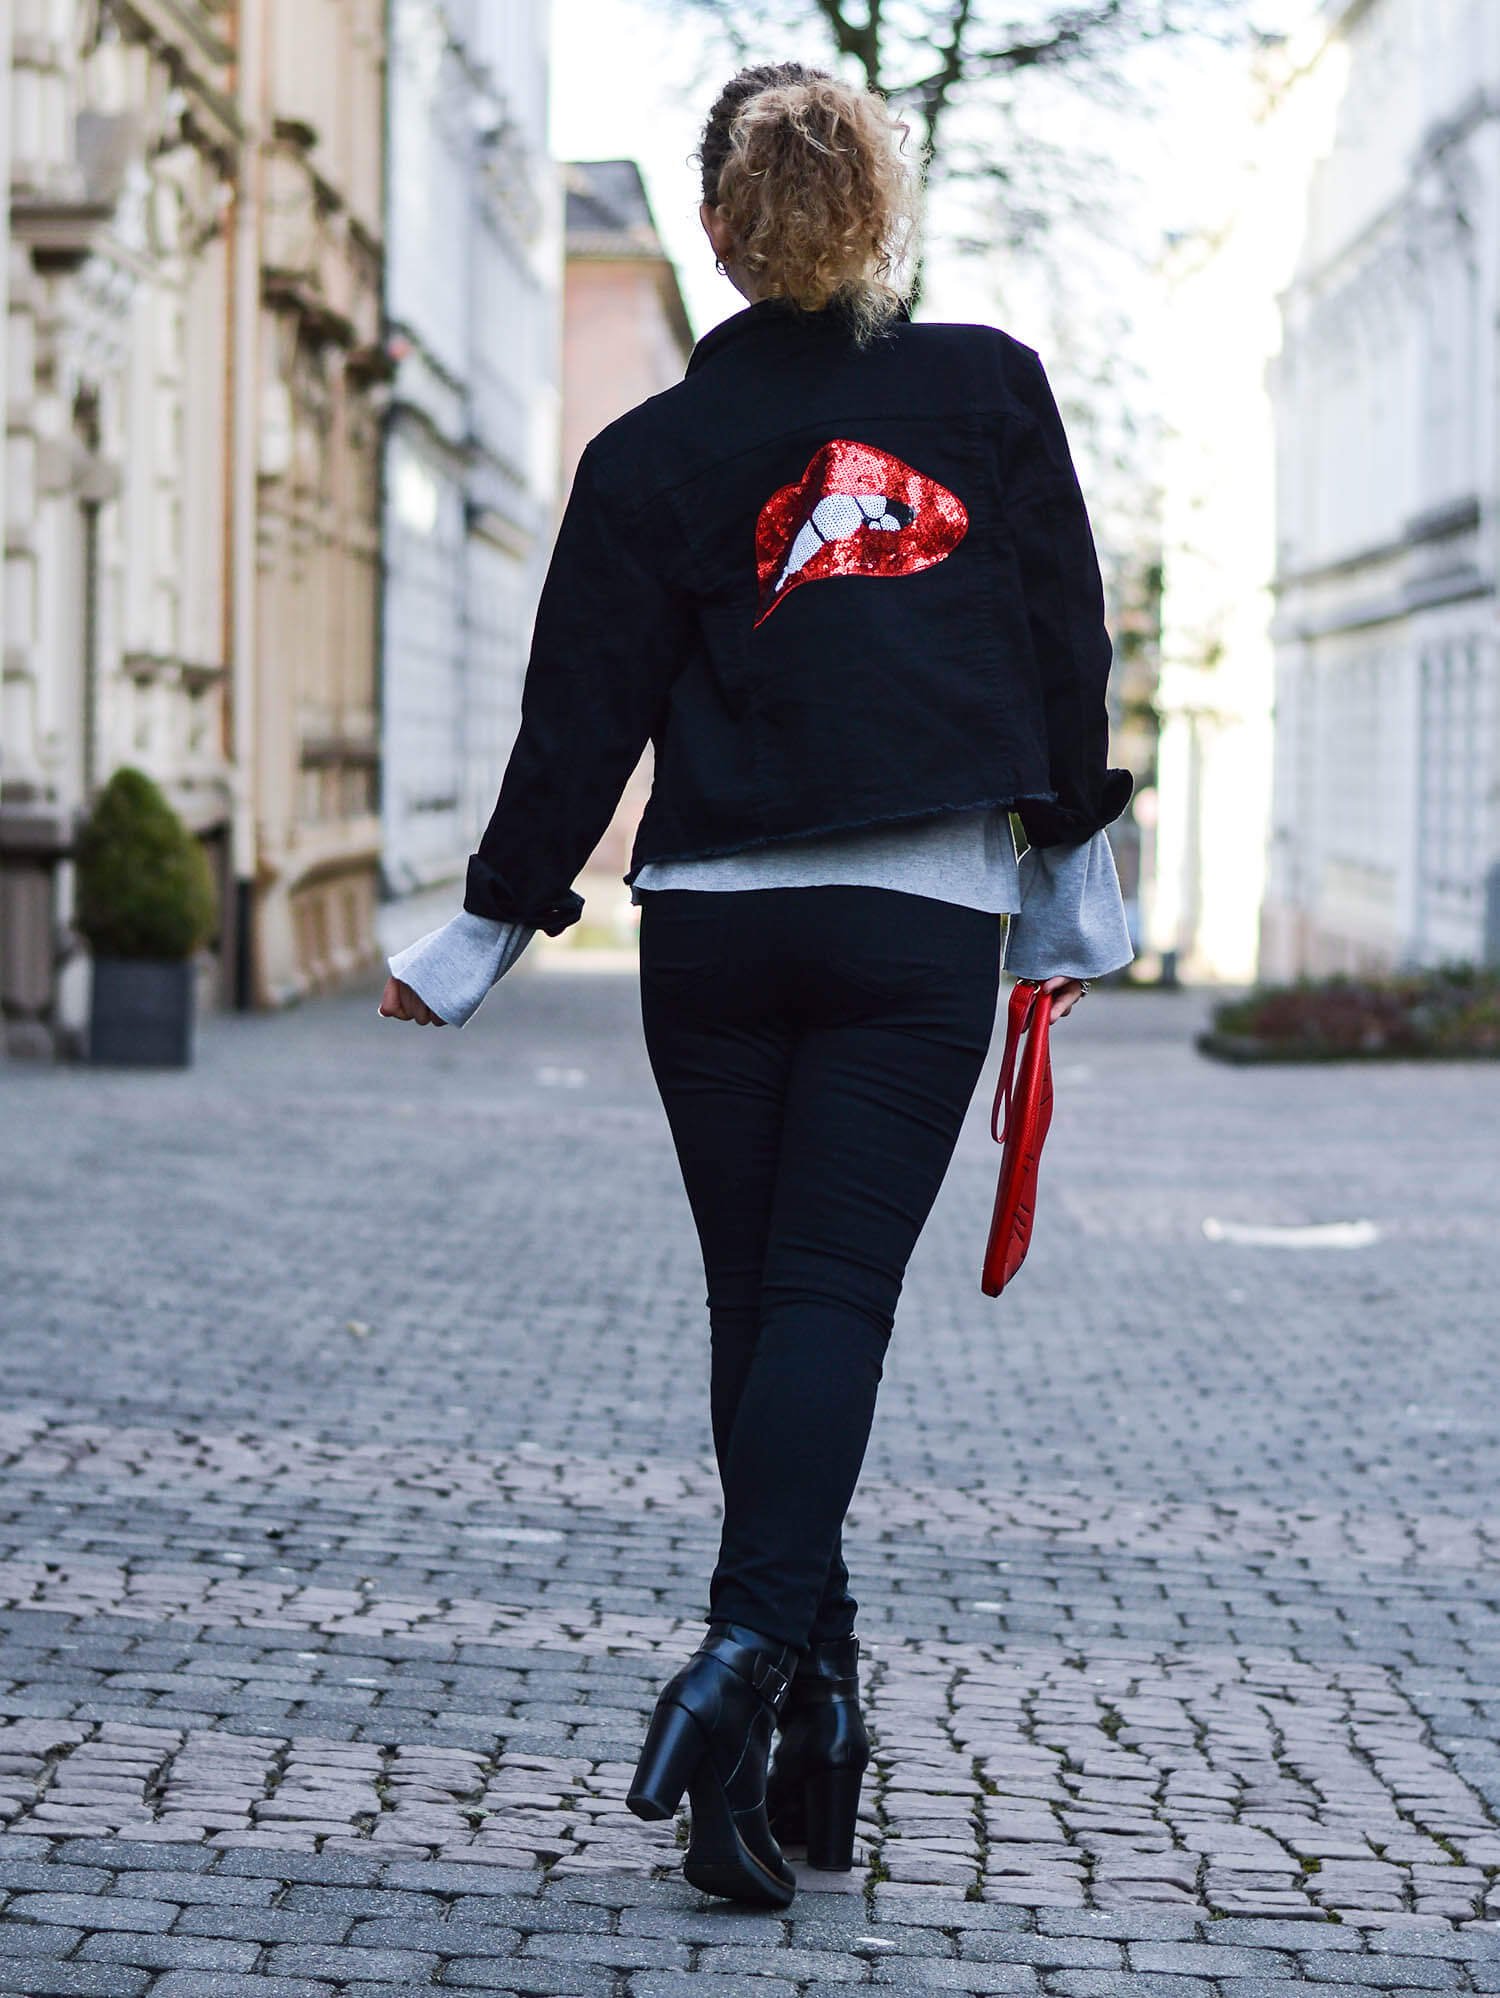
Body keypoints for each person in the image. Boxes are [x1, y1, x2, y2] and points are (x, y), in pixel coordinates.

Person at [380, 62, 1134, 1909]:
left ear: (717, 237)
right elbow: (1063, 638)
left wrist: (483, 927)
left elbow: (583, 715)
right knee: (825, 1306)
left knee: (765, 1310)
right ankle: (744, 1666)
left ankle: (808, 1721)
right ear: (883, 209)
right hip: (913, 918)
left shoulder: (645, 457)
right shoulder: (992, 389)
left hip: (714, 922)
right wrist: (1071, 880)